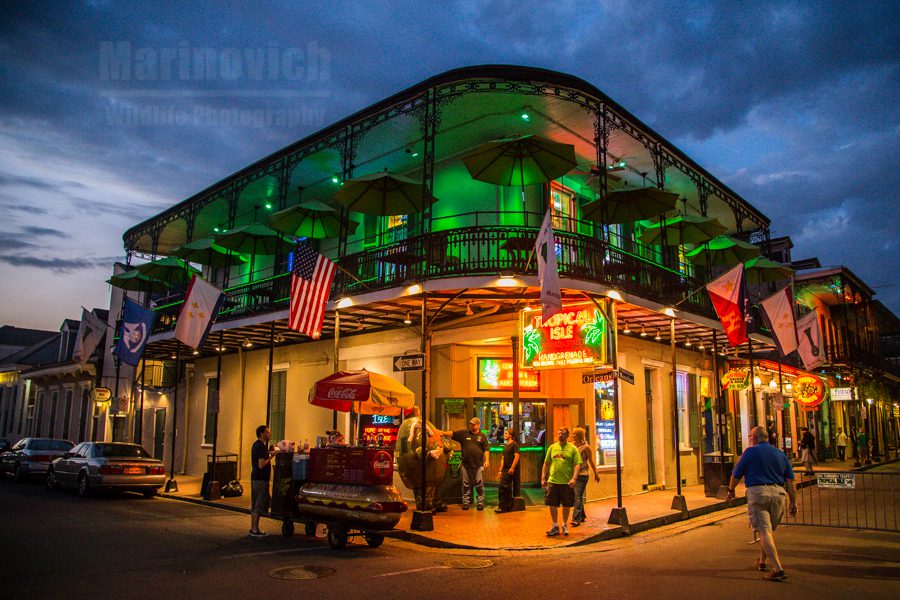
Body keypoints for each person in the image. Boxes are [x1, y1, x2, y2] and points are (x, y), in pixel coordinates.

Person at [726, 425, 798, 582]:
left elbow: (736, 474)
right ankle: (762, 561)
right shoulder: (780, 454)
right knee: (767, 531)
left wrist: (731, 490)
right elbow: (790, 481)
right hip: (778, 494)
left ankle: (778, 569)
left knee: (764, 532)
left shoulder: (750, 452)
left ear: (755, 438)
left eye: (750, 437)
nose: (749, 440)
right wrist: (793, 502)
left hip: (758, 493)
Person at [440, 417, 489, 510]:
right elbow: (452, 433)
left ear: (478, 425)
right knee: (466, 484)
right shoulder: (464, 434)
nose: (471, 425)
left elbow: (486, 449)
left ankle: (480, 502)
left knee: (479, 484)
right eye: (471, 424)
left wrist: (487, 460)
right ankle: (466, 502)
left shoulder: (482, 436)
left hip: (478, 465)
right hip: (466, 465)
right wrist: (442, 432)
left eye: (474, 424)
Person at [541, 426, 581, 536]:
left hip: (567, 482)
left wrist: (574, 478)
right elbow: (546, 462)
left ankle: (564, 524)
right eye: (559, 433)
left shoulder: (573, 449)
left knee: (566, 505)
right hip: (553, 481)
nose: (560, 436)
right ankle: (554, 525)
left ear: (567, 436)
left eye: (562, 434)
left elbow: (577, 464)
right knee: (552, 503)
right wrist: (543, 477)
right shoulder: (552, 447)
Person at [249, 424, 277, 537]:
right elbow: (261, 464)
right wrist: (272, 457)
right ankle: (254, 529)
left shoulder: (257, 445)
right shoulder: (261, 446)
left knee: (256, 503)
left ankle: (253, 528)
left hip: (256, 478)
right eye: (268, 432)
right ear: (262, 434)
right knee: (259, 504)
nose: (270, 434)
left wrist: (269, 453)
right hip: (260, 479)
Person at [570, 427, 600, 527]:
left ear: (578, 435)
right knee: (577, 495)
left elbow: (591, 461)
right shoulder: (572, 445)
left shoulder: (586, 447)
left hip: (583, 474)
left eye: (574, 434)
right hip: (574, 474)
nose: (572, 435)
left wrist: (596, 473)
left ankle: (576, 518)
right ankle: (582, 516)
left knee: (577, 496)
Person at [496, 427, 519, 513]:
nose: (504, 435)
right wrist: (500, 470)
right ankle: (507, 507)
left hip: (510, 469)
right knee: (506, 488)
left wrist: (512, 467)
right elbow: (502, 458)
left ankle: (502, 506)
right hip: (504, 469)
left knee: (503, 487)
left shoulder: (514, 444)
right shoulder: (505, 445)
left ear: (511, 435)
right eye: (504, 433)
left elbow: (517, 456)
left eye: (506, 433)